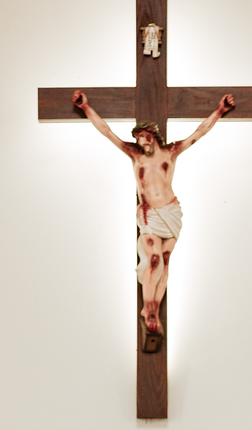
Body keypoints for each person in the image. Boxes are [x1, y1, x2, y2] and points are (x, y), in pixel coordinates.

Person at [72, 90, 235, 347]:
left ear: (152, 134)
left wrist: (219, 110)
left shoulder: (171, 152)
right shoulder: (135, 155)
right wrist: (86, 108)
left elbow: (199, 133)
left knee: (166, 262)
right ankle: (148, 308)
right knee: (154, 259)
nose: (140, 142)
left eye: (143, 137)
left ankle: (154, 312)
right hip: (148, 214)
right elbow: (106, 132)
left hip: (171, 213)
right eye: (137, 139)